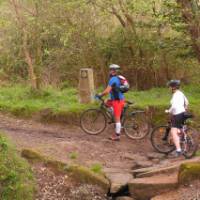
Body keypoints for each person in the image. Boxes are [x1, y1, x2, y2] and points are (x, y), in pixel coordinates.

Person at [96, 64, 125, 141]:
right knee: (106, 102)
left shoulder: (113, 79)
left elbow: (107, 91)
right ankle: (112, 117)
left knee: (117, 118)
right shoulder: (118, 78)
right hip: (117, 99)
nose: (109, 71)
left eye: (111, 70)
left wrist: (100, 94)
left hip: (117, 101)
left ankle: (117, 136)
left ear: (113, 71)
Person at [166, 80, 189, 156]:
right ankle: (184, 138)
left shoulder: (175, 95)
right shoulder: (181, 93)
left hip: (178, 114)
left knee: (173, 132)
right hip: (183, 113)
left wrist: (169, 111)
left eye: (169, 87)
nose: (169, 88)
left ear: (173, 87)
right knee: (179, 129)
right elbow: (187, 102)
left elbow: (174, 107)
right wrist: (185, 108)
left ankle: (178, 150)